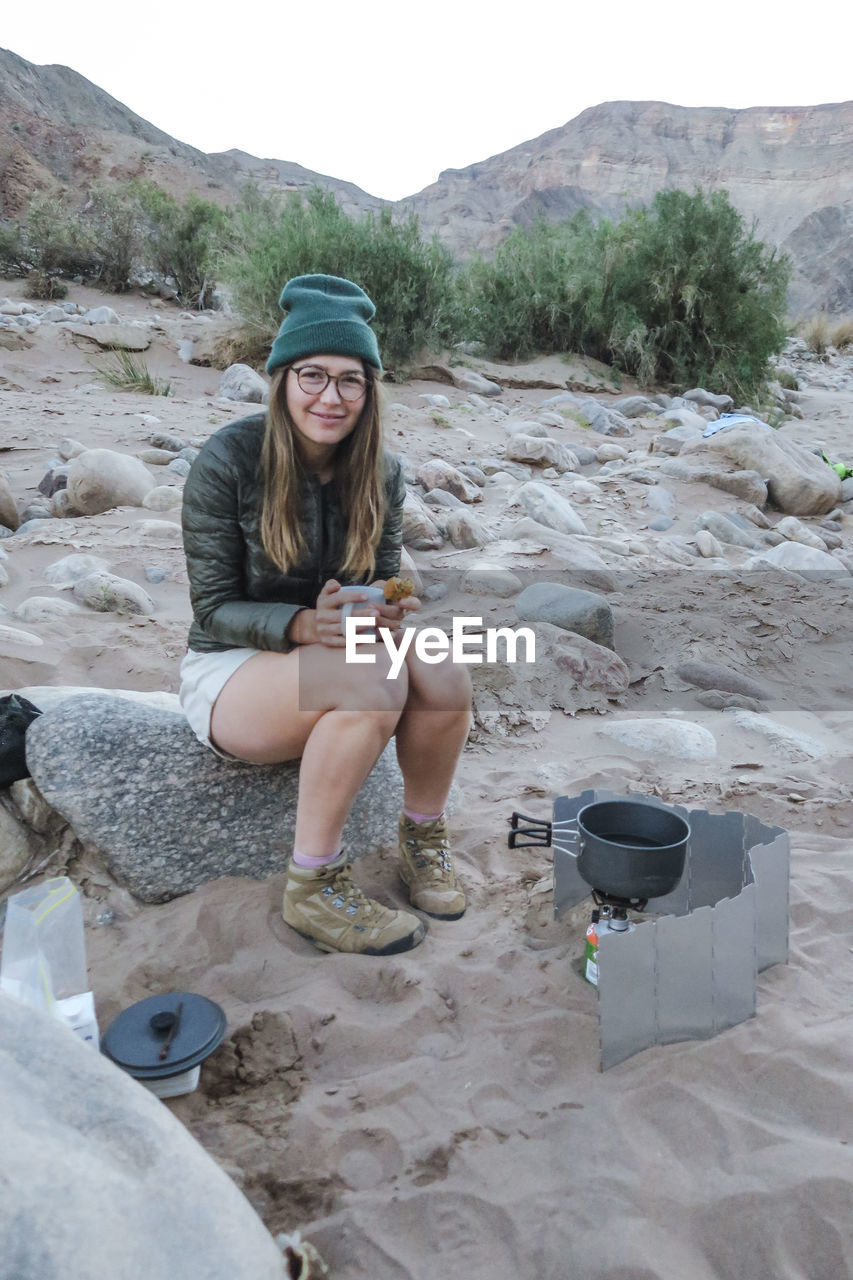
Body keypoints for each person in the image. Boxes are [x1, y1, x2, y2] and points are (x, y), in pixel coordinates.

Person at [179, 274, 472, 956]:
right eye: (311, 375)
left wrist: (386, 607)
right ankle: (312, 885)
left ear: (370, 392)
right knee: (372, 681)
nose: (330, 397)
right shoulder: (228, 460)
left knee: (443, 668)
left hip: (328, 655)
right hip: (233, 667)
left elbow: (383, 577)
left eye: (350, 380)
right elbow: (214, 608)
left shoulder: (381, 472)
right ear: (281, 379)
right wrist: (301, 626)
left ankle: (422, 837)